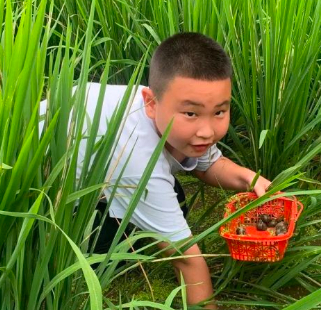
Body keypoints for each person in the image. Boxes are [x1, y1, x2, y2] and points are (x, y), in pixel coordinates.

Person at [64, 32, 271, 309]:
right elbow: (187, 260)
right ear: (150, 103)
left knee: (175, 199)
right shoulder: (137, 159)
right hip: (52, 197)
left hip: (91, 152)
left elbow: (210, 164)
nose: (208, 131)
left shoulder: (171, 106)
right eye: (191, 114)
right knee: (120, 247)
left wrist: (250, 179)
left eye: (219, 112)